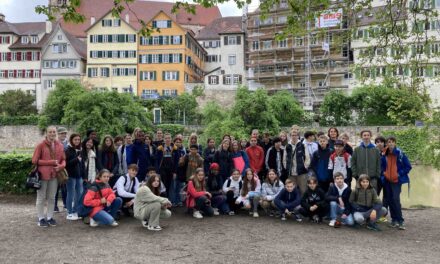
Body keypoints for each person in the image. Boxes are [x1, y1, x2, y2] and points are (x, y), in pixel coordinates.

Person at [32, 126, 66, 227]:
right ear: (46, 133)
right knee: (41, 198)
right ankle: (41, 218)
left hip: (54, 175)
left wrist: (61, 166)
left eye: (54, 132)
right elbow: (34, 160)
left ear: (56, 133)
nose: (52, 134)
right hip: (42, 175)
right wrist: (50, 162)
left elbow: (63, 159)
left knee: (52, 198)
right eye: (50, 132)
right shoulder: (41, 145)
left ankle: (50, 217)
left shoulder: (60, 145)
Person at [381, 136, 412, 230]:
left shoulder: (400, 153)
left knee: (395, 199)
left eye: (392, 142)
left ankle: (400, 221)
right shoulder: (384, 154)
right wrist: (384, 174)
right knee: (390, 200)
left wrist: (399, 174)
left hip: (396, 181)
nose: (390, 144)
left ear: (395, 143)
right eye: (388, 142)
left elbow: (408, 167)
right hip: (387, 181)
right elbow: (382, 166)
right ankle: (394, 220)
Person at [65, 133, 84, 221]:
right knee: (71, 194)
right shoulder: (68, 150)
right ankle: (69, 212)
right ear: (71, 140)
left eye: (78, 139)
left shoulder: (80, 149)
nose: (77, 141)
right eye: (75, 139)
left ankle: (75, 210)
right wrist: (76, 159)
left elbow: (82, 164)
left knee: (79, 194)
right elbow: (66, 164)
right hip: (71, 176)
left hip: (79, 176)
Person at [284, 130, 310, 195]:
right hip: (291, 173)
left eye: (295, 135)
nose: (294, 136)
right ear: (290, 136)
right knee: (292, 190)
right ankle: (294, 204)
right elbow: (284, 159)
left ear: (298, 136)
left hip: (301, 173)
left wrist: (304, 167)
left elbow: (307, 158)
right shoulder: (287, 146)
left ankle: (303, 204)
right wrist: (286, 167)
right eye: (292, 135)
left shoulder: (302, 145)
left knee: (303, 190)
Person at [156, 133, 179, 200]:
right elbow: (157, 160)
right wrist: (158, 171)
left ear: (171, 139)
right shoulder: (160, 148)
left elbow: (176, 161)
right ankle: (162, 200)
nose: (167, 139)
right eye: (166, 138)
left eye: (169, 138)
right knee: (162, 185)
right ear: (164, 139)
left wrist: (175, 172)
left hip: (171, 170)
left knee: (168, 186)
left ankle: (167, 200)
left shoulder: (175, 148)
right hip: (162, 169)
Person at [54, 126, 68, 212]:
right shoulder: (54, 143)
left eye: (65, 133)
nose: (64, 135)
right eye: (62, 133)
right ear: (58, 134)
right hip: (56, 167)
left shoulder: (68, 143)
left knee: (65, 187)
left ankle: (65, 204)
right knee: (55, 188)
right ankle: (55, 206)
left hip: (65, 167)